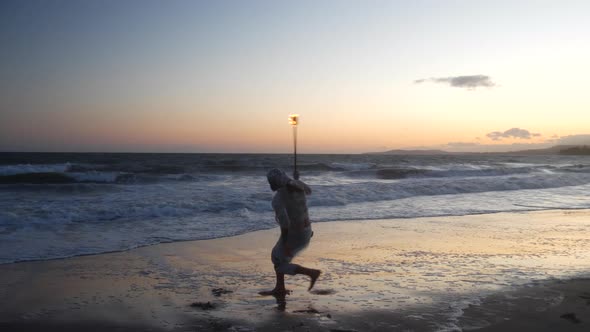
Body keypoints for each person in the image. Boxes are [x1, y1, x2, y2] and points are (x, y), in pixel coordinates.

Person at [260, 168, 321, 296]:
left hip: (296, 234)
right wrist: (296, 180)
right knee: (278, 256)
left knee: (278, 260)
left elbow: (285, 224)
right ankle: (280, 287)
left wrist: (285, 244)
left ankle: (311, 273)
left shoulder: (278, 200)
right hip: (307, 229)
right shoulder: (299, 186)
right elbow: (308, 191)